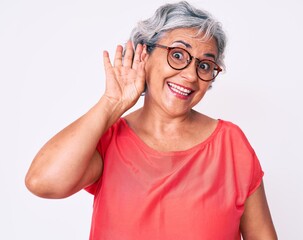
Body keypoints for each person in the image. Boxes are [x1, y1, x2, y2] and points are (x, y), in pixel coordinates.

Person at [25, 1, 277, 239]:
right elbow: (42, 182)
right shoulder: (108, 139)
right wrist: (112, 103)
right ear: (144, 55)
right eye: (178, 55)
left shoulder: (231, 145)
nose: (190, 75)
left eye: (204, 65)